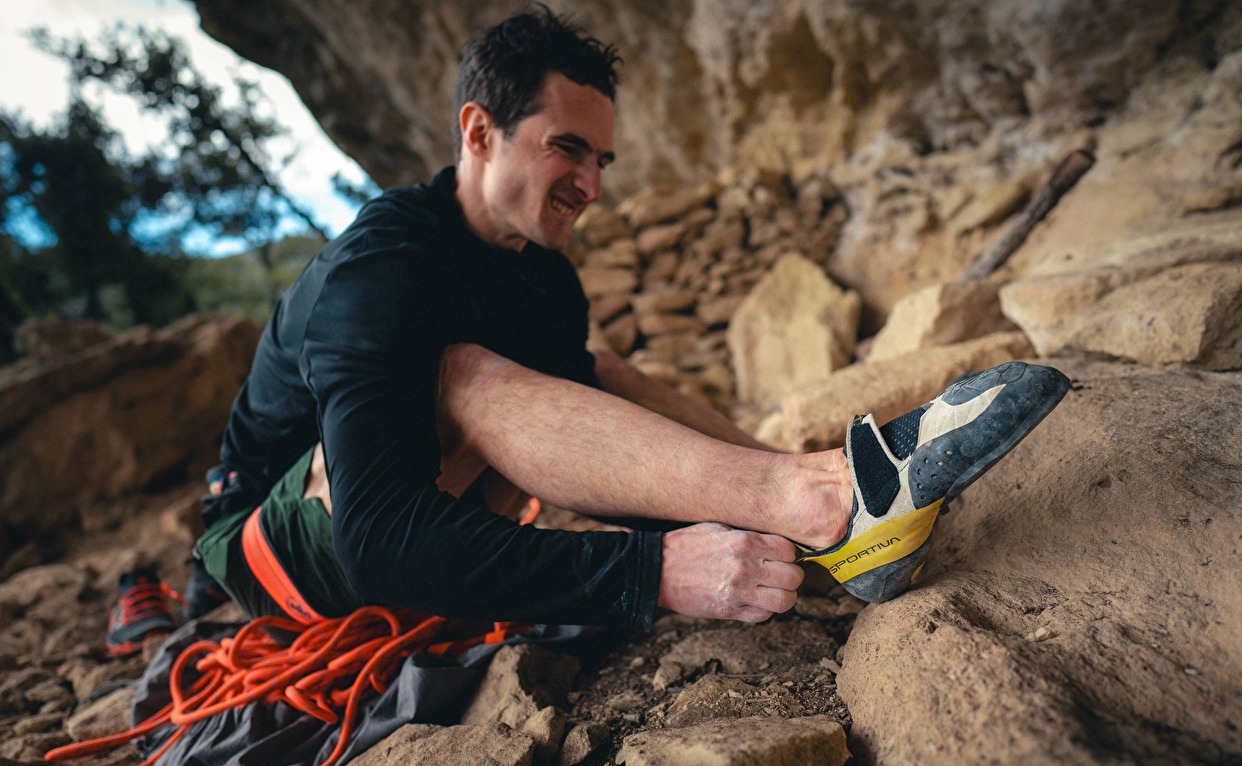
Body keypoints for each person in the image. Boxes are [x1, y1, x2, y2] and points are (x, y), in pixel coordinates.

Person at [107, 7, 1068, 655]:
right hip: (268, 544)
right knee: (461, 374)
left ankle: (822, 497)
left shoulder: (545, 282)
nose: (595, 187)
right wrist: (649, 572)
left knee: (590, 366)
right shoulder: (382, 268)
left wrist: (711, 516)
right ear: (478, 132)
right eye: (567, 147)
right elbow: (380, 540)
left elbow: (585, 438)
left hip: (416, 501)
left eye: (602, 158)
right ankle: (822, 503)